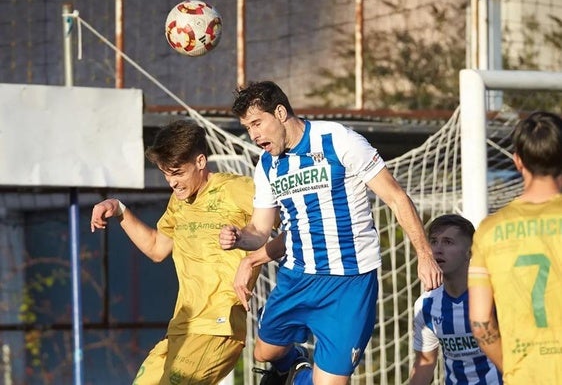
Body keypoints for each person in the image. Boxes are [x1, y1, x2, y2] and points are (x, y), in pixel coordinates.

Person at [218, 80, 443, 385]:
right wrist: (238, 239)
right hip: (297, 277)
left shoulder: (338, 140)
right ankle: (294, 367)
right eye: (248, 128)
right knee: (264, 352)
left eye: (257, 123)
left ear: (281, 112)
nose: (254, 135)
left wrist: (425, 255)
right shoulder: (267, 166)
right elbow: (259, 229)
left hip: (350, 283)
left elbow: (395, 197)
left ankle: (299, 378)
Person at [90, 120, 261, 385]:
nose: (172, 182)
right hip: (182, 327)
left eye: (178, 172)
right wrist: (119, 210)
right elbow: (157, 248)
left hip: (219, 326)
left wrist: (252, 258)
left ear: (201, 161)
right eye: (165, 174)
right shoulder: (179, 202)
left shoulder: (238, 189)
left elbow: (294, 220)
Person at [468, 111, 562, 384]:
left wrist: (512, 368)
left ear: (518, 161)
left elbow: (480, 320)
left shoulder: (489, 230)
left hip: (524, 374)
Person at [409, 214, 502, 385]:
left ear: (470, 252)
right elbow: (425, 363)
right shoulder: (426, 305)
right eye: (434, 241)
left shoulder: (497, 296)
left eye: (448, 242)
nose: (437, 249)